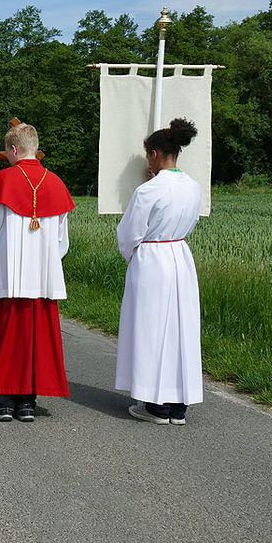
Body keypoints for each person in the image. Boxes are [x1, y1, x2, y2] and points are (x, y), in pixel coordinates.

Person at [0, 123, 74, 423]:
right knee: (35, 338)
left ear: (14, 150)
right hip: (42, 277)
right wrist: (42, 261)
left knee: (4, 335)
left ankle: (3, 402)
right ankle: (27, 402)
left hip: (8, 275)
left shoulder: (1, 181)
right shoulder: (55, 183)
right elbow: (61, 243)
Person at [116, 118, 203, 426]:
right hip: (180, 255)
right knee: (180, 329)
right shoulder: (193, 187)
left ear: (153, 154)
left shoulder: (148, 191)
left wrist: (132, 257)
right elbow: (190, 223)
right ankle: (178, 403)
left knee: (152, 330)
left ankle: (155, 403)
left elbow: (128, 235)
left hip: (152, 258)